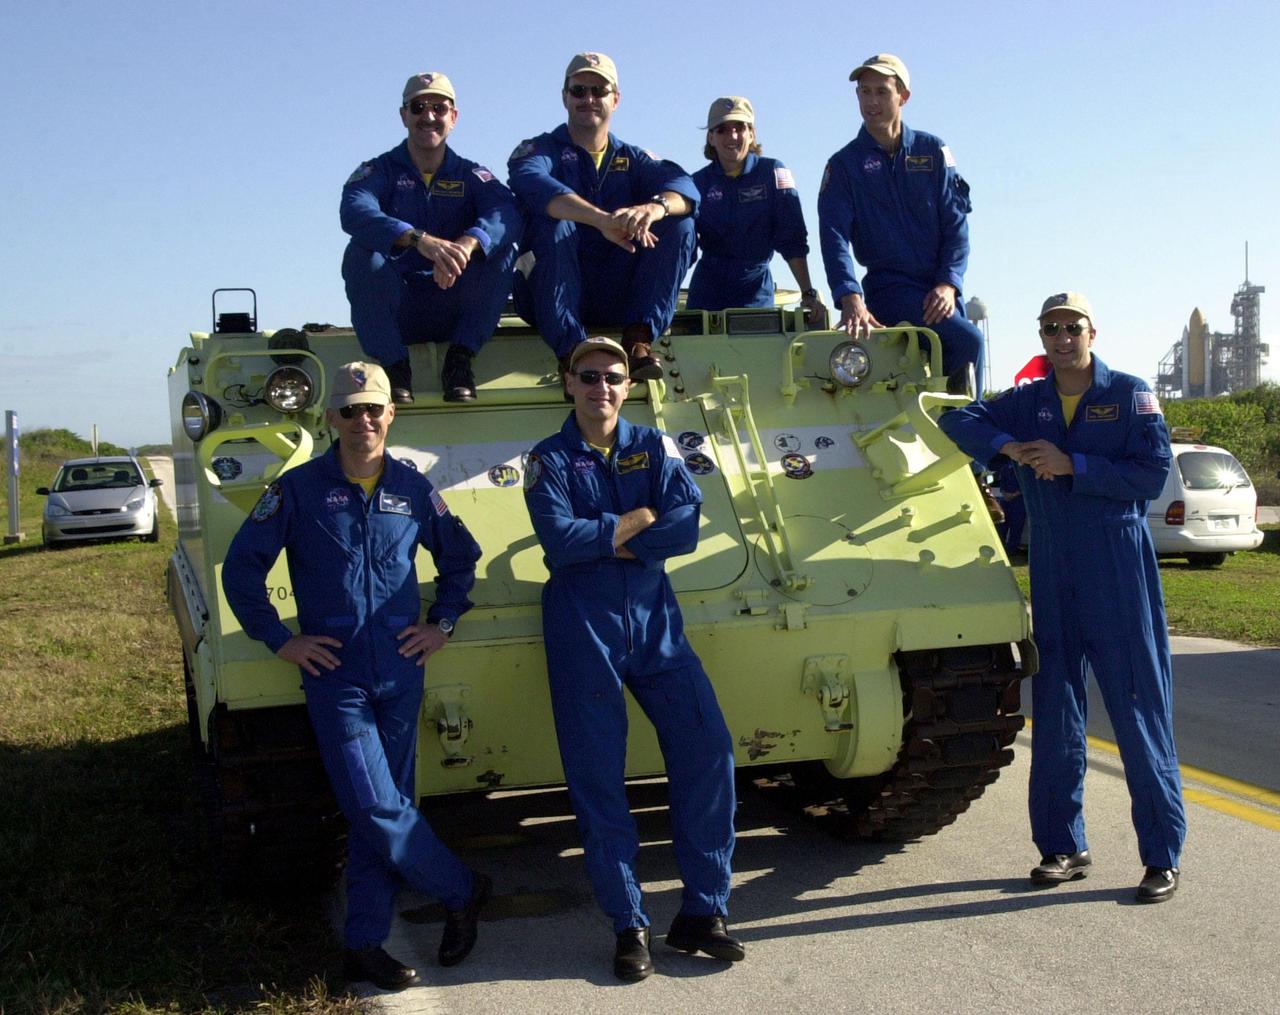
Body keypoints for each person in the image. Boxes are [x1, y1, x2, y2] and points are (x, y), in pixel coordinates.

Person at [222, 362, 493, 990]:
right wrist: (281, 639)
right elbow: (243, 571)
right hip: (336, 673)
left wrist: (443, 624)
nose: (362, 421)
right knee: (372, 804)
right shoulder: (298, 490)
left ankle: (364, 944)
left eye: (373, 409)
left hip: (401, 669)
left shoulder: (414, 490)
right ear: (330, 419)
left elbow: (461, 559)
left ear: (390, 414)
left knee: (386, 807)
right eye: (349, 411)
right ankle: (462, 887)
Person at [938, 292, 1186, 903]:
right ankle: (1062, 846)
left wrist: (1071, 463)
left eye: (1071, 327)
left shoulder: (1128, 395)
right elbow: (957, 419)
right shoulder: (1028, 400)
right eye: (1050, 328)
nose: (1061, 337)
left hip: (1115, 565)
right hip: (1053, 567)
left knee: (1137, 708)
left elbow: (1151, 474)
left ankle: (1161, 856)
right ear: (1042, 335)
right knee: (1055, 711)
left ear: (1091, 331)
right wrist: (1007, 447)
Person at [523, 336, 742, 981]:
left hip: (656, 623)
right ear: (569, 384)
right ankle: (629, 922)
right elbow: (558, 541)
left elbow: (687, 523)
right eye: (588, 376)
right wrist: (633, 523)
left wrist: (612, 538)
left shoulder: (656, 445)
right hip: (581, 625)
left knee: (709, 750)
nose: (602, 388)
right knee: (599, 778)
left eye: (614, 377)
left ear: (628, 384)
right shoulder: (548, 458)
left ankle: (705, 910)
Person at [508, 52, 699, 380]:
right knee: (553, 223)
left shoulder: (633, 159)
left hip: (616, 292)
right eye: (579, 91)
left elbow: (684, 187)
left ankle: (639, 339)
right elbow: (531, 182)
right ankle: (572, 350)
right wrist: (601, 220)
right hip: (551, 294)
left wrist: (654, 208)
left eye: (599, 90)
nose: (589, 99)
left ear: (616, 99)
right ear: (564, 97)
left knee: (681, 224)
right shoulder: (540, 151)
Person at [341, 71, 521, 404]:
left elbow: (506, 212)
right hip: (399, 309)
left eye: (439, 108)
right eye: (419, 107)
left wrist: (467, 245)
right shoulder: (379, 171)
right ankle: (394, 368)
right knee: (359, 252)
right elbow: (354, 209)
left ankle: (460, 362)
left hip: (453, 305)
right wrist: (416, 238)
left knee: (503, 250)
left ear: (453, 117)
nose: (429, 117)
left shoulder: (471, 175)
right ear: (404, 115)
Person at [817, 53, 984, 393]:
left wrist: (949, 283)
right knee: (969, 341)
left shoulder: (933, 150)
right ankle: (965, 435)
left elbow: (957, 227)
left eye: (881, 91)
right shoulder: (844, 164)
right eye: (864, 92)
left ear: (903, 96)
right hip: (890, 288)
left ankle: (961, 433)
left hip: (941, 288)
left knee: (959, 352)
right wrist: (850, 297)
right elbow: (833, 236)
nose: (872, 101)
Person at [688, 96, 825, 323]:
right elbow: (683, 247)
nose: (732, 136)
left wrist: (808, 292)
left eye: (739, 128)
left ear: (752, 133)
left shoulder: (772, 173)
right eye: (722, 130)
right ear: (711, 137)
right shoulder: (696, 183)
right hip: (705, 295)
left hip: (754, 294)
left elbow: (792, 238)